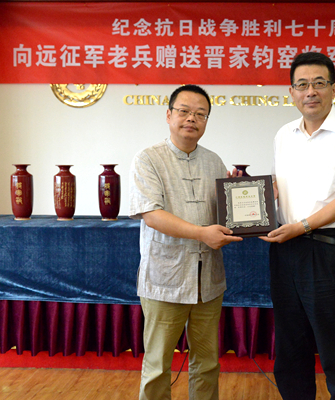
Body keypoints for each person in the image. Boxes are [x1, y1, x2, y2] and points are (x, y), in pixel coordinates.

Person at [261, 52, 335, 399]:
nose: (310, 91)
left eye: (319, 83)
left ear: (334, 89)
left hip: (326, 252)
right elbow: (280, 188)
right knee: (290, 348)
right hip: (285, 251)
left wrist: (303, 226)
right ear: (291, 92)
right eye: (302, 85)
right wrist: (253, 195)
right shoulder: (284, 134)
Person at [129, 84, 243, 400]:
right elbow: (152, 215)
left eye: (200, 114)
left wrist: (239, 199)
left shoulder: (214, 162)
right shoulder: (148, 159)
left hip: (208, 280)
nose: (191, 118)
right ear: (169, 115)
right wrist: (201, 233)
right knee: (157, 366)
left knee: (207, 363)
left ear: (206, 121)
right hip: (166, 277)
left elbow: (223, 216)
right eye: (184, 111)